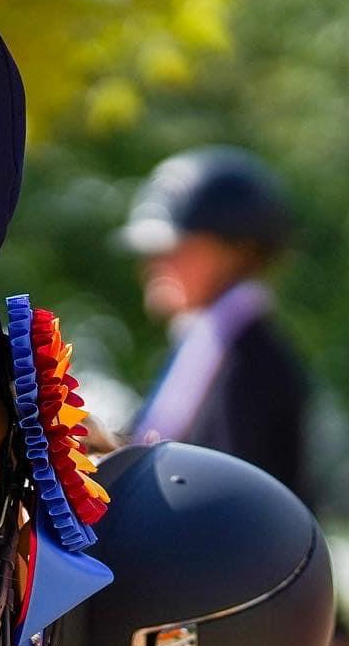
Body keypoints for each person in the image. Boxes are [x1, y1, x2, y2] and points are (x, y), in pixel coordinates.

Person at [121, 145, 312, 504]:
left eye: (172, 247)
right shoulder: (204, 350)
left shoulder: (251, 367)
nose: (152, 265)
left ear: (235, 251)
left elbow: (224, 504)